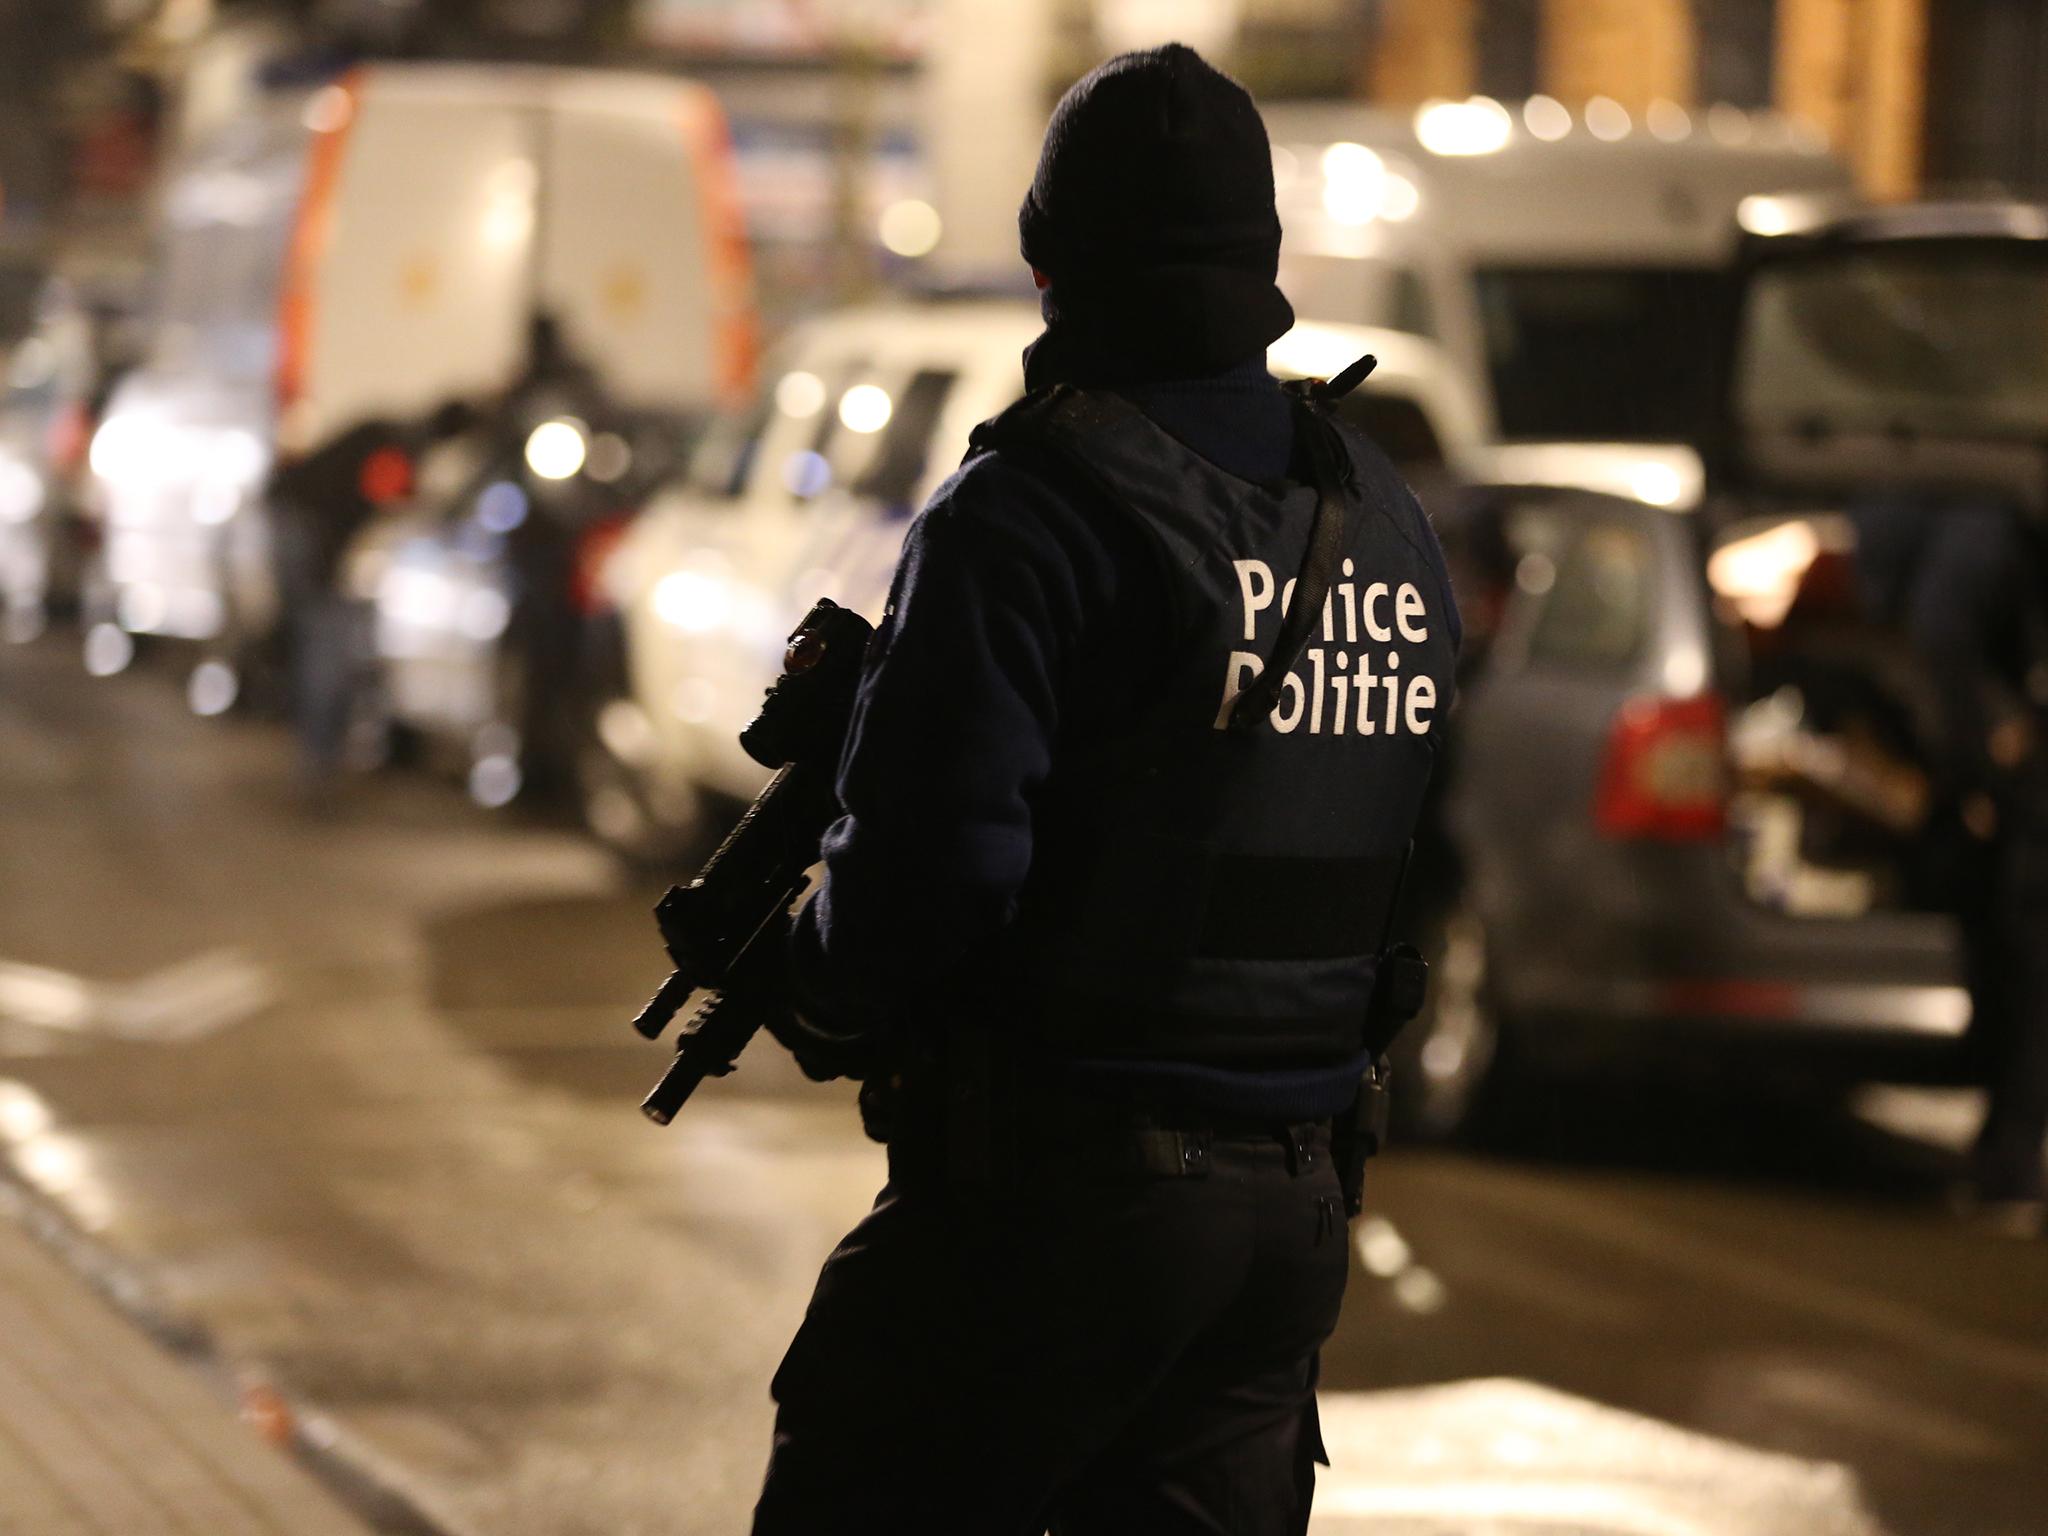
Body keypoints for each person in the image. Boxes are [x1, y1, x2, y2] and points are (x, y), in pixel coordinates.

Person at [749, 45, 1461, 1533]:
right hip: (1294, 1215)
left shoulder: (1032, 510)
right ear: (1260, 261)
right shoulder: (1376, 507)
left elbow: (926, 878)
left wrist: (808, 972)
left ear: (1049, 263)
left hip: (1065, 1205)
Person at [1856, 491, 2048, 1230]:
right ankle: (2010, 1166)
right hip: (2010, 793)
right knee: (2027, 974)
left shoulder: (1976, 531)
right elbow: (1942, 634)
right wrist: (1986, 757)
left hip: (2005, 793)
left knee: (2020, 970)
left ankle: (2007, 1159)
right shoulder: (1986, 538)